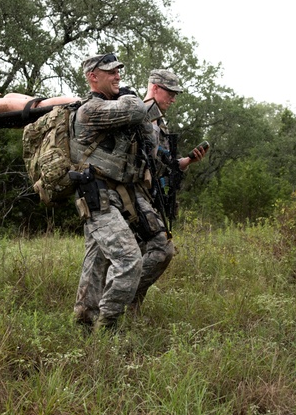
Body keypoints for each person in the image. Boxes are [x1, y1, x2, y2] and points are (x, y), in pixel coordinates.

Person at [69, 52, 166, 332]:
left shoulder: (116, 107)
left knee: (98, 259)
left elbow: (149, 138)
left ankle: (84, 321)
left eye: (118, 71)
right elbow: (137, 110)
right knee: (128, 260)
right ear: (92, 77)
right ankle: (106, 327)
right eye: (110, 72)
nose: (117, 76)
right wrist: (130, 94)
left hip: (123, 194)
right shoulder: (90, 110)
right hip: (98, 195)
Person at [131, 69, 208, 313]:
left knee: (143, 253)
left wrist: (185, 162)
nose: (173, 99)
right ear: (154, 88)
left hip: (152, 196)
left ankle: (130, 308)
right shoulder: (137, 115)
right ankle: (122, 297)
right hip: (131, 196)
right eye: (170, 93)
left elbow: (163, 163)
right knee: (161, 250)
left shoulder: (159, 123)